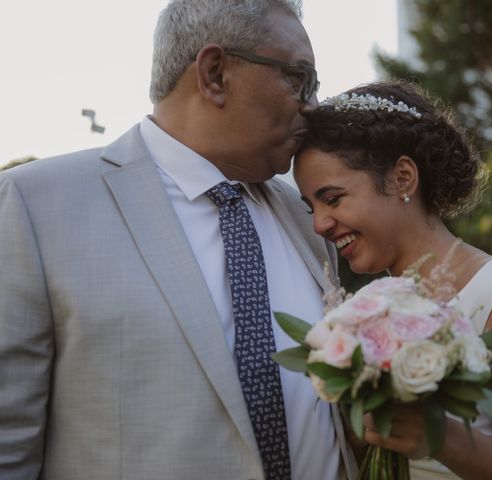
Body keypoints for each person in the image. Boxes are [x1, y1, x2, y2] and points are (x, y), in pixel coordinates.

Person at [0, 1, 358, 479]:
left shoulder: (305, 216)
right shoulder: (36, 205)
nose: (313, 106)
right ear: (214, 74)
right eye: (300, 79)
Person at [293, 80, 492, 479]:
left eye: (334, 199)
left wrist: (445, 440)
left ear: (403, 178)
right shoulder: (363, 310)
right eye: (311, 208)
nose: (320, 224)